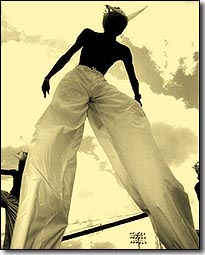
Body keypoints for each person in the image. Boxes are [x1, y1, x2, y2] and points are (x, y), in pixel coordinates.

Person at [11, 5, 199, 249]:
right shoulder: (89, 34)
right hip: (78, 77)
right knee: (55, 133)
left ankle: (165, 203)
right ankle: (35, 235)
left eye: (119, 23)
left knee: (132, 114)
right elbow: (68, 56)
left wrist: (138, 97)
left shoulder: (122, 49)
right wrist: (48, 75)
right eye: (114, 21)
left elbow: (132, 76)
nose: (115, 25)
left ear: (120, 29)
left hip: (99, 83)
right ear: (108, 25)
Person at [1, 151, 28, 249]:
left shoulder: (26, 176)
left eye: (20, 164)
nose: (19, 165)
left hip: (15, 201)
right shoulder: (23, 175)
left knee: (13, 228)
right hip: (11, 199)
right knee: (14, 228)